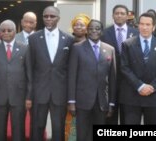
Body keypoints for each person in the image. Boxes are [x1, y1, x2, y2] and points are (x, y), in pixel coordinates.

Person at [28, 6, 74, 141]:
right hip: (39, 92)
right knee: (36, 128)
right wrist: (30, 94)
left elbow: (70, 69)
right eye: (45, 16)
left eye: (52, 16)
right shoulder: (34, 38)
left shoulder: (68, 39)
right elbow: (30, 67)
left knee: (58, 129)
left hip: (60, 92)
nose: (48, 19)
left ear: (58, 18)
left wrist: (70, 96)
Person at [68, 19, 116, 141]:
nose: (94, 31)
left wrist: (111, 103)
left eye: (97, 28)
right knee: (82, 134)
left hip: (102, 102)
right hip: (82, 101)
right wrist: (71, 102)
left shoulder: (110, 49)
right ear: (87, 31)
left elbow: (112, 78)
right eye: (91, 28)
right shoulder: (77, 48)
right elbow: (72, 76)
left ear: (102, 31)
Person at [119, 12, 156, 125]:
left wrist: (152, 87)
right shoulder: (127, 44)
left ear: (154, 27)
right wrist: (140, 86)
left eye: (148, 24)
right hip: (132, 96)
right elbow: (124, 68)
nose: (144, 27)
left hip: (154, 96)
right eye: (141, 24)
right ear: (138, 26)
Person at [0, 19, 31, 141]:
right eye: (3, 30)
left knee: (18, 130)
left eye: (9, 30)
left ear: (15, 31)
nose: (6, 33)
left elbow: (29, 74)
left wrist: (29, 96)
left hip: (19, 96)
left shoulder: (25, 48)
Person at [101, 4, 138, 125]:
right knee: (110, 117)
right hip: (110, 81)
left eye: (122, 13)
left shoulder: (136, 33)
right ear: (112, 16)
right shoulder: (104, 33)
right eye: (117, 13)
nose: (119, 15)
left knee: (128, 118)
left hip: (129, 82)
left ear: (127, 16)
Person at [65, 13, 90, 141]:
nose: (78, 27)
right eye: (76, 24)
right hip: (68, 90)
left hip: (86, 92)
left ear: (87, 28)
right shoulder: (67, 42)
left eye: (82, 25)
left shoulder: (91, 44)